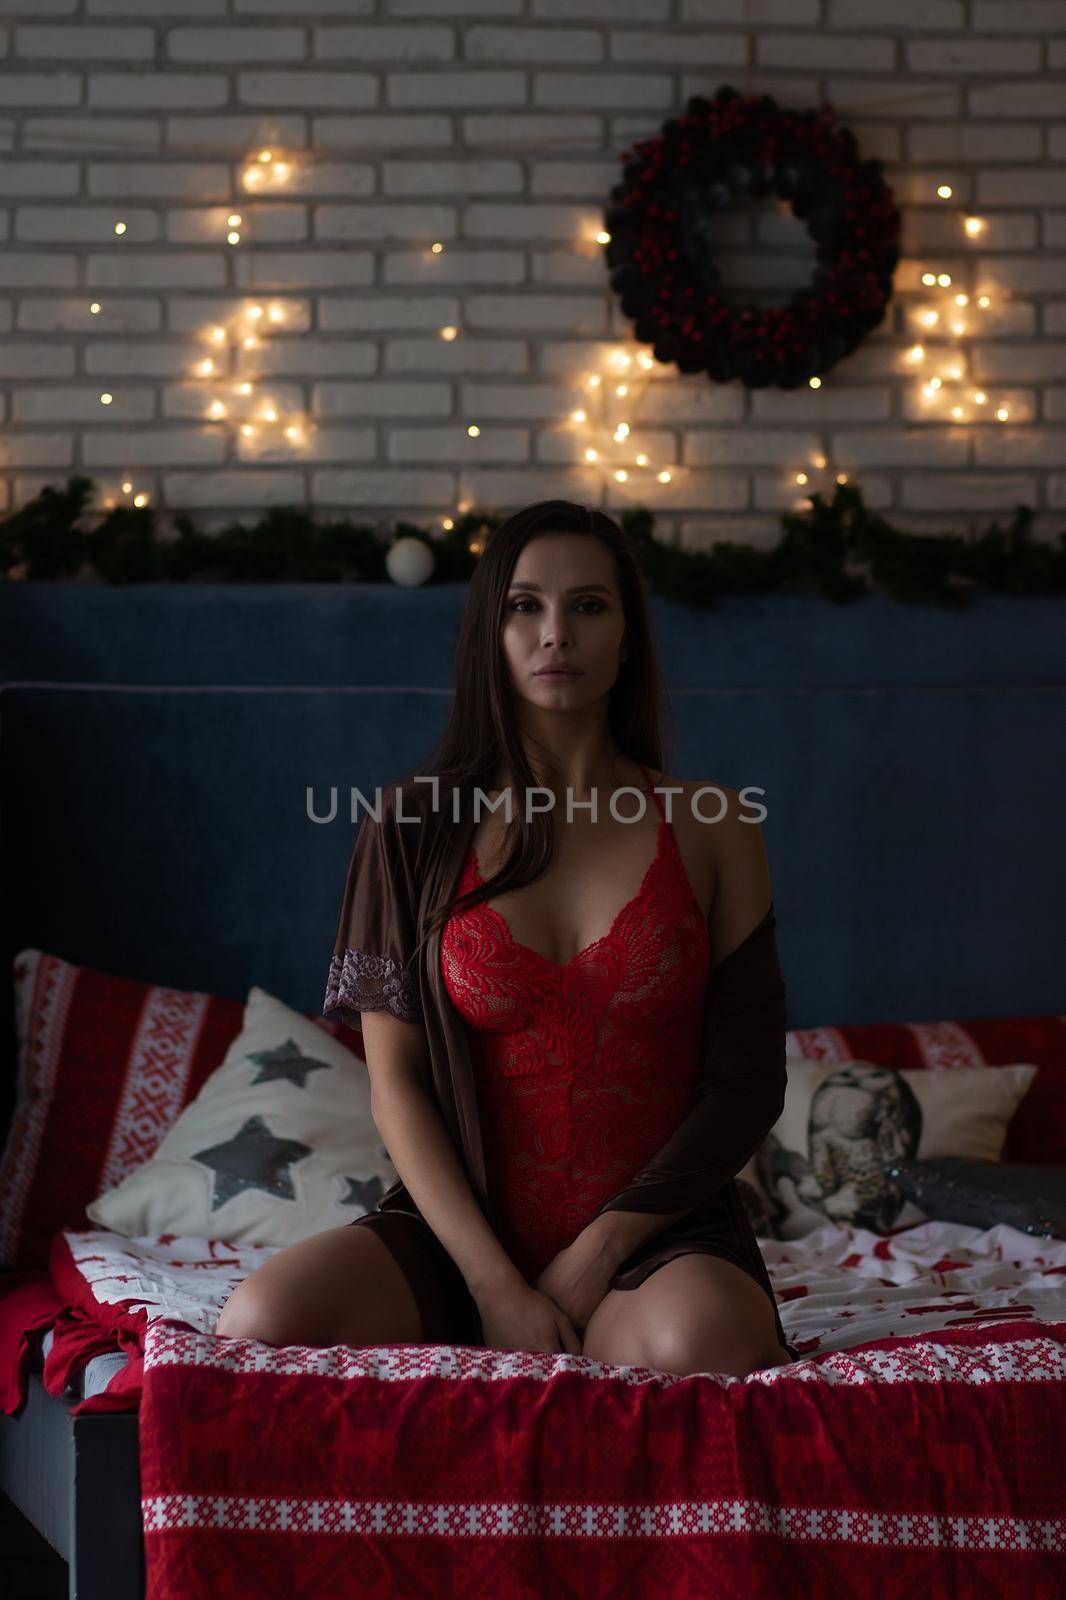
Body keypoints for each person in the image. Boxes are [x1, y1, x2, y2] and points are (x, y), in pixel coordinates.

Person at [216, 499, 797, 1378]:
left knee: (700, 1345)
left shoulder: (711, 824)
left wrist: (596, 1255)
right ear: (490, 631)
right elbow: (397, 1084)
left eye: (589, 606)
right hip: (459, 1235)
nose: (555, 632)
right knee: (263, 1322)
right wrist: (495, 1286)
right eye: (525, 606)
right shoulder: (409, 826)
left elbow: (748, 1082)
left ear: (629, 635)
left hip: (654, 1241)